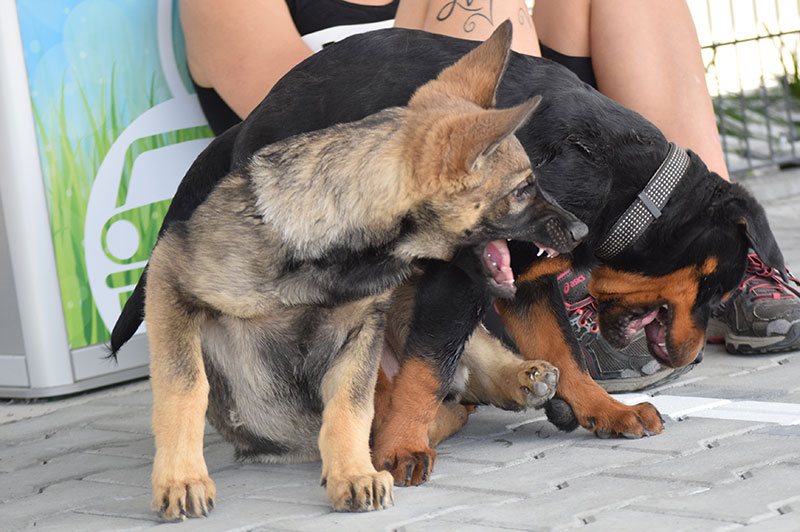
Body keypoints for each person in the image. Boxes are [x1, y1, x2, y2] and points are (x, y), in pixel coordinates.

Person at [179, 0, 800, 392]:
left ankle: (720, 261)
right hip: (416, 254)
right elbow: (304, 144)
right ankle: (556, 298)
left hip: (526, 193)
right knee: (487, 18)